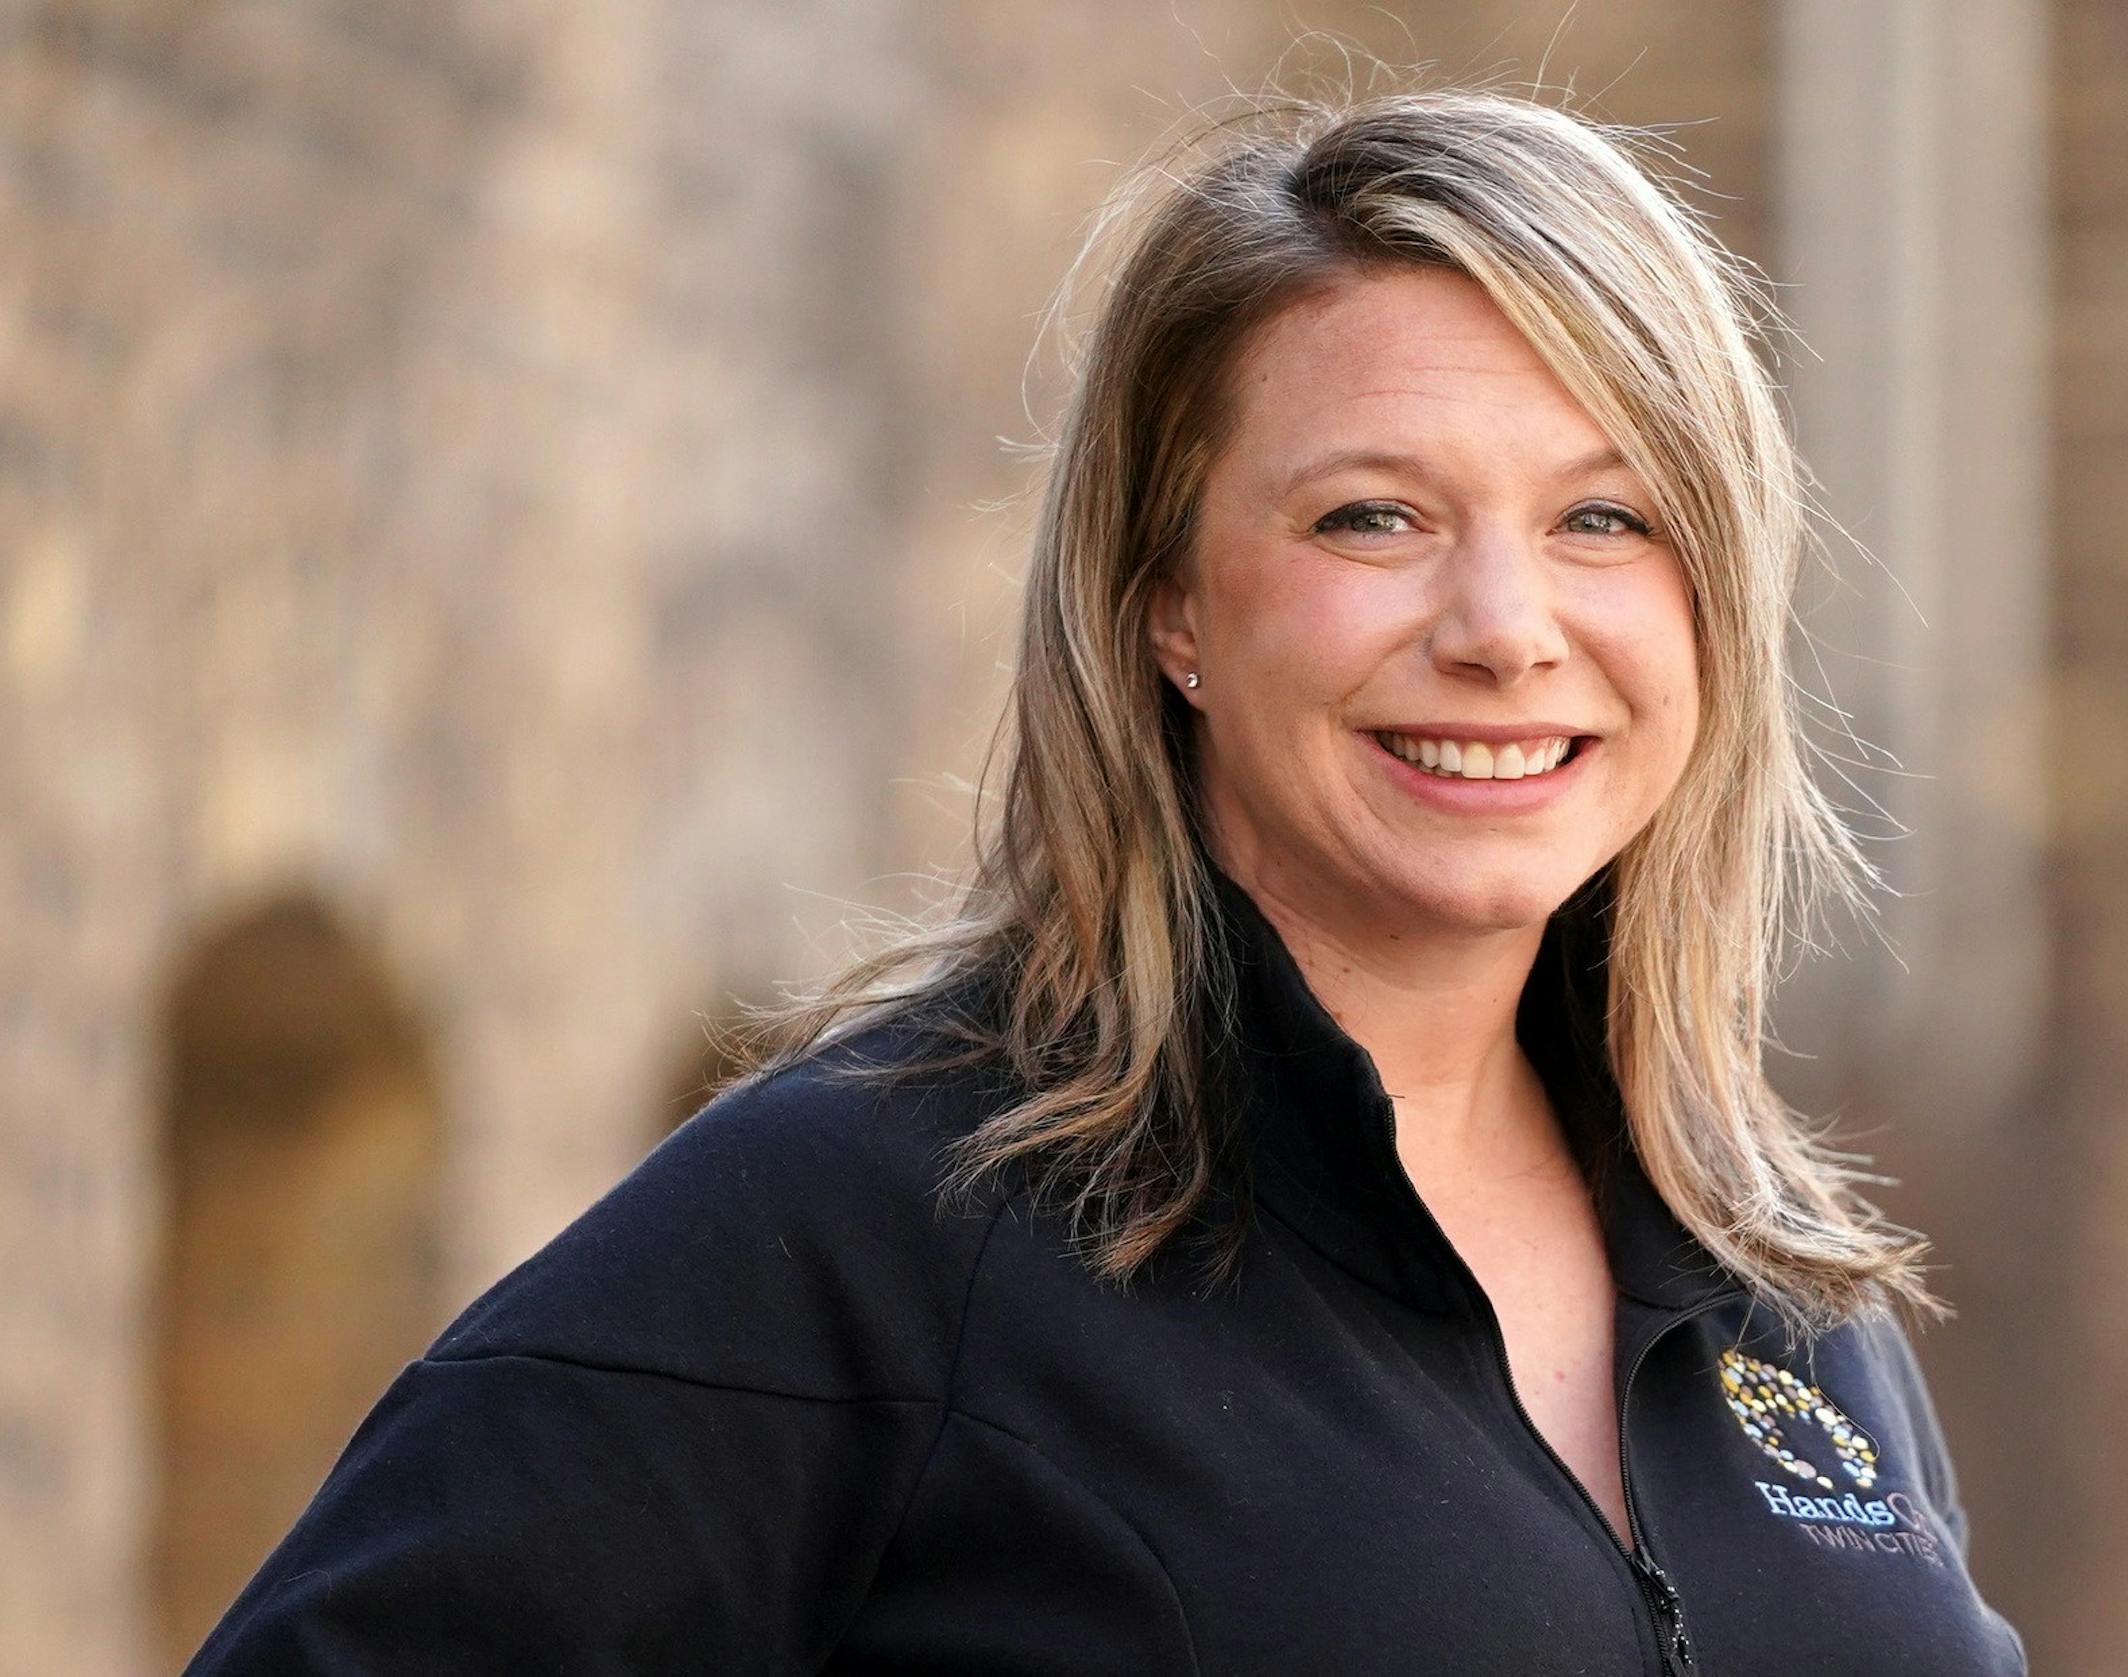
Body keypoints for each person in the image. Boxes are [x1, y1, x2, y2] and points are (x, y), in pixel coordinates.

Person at [183, 82, 2030, 1676]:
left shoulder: (1774, 1285)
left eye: (1605, 519)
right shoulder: (878, 1223)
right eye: (1370, 516)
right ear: (1168, 608)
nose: (1504, 628)